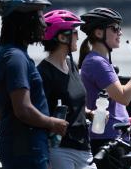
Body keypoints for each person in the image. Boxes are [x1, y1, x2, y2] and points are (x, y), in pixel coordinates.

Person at [0, 0, 68, 169]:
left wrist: (10, 127)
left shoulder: (6, 53)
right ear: (24, 21)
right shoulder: (16, 58)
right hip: (28, 149)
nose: (45, 24)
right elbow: (23, 108)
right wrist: (52, 123)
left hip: (20, 144)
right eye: (40, 17)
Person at [78, 7, 131, 169]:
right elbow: (123, 97)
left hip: (115, 136)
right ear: (98, 33)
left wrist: (128, 124)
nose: (120, 33)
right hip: (107, 141)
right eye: (115, 28)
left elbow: (113, 103)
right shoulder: (97, 62)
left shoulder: (100, 61)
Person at [37, 10, 97, 169]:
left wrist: (89, 113)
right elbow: (39, 113)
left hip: (84, 146)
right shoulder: (43, 73)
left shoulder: (72, 66)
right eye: (75, 32)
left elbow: (73, 103)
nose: (78, 36)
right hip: (59, 149)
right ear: (62, 37)